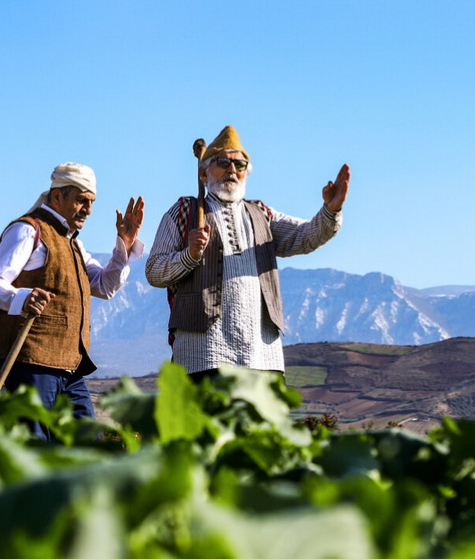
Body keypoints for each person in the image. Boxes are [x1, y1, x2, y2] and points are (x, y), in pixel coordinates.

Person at [145, 125, 350, 382]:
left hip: (263, 357)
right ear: (203, 174)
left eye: (240, 165)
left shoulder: (262, 214)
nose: (232, 170)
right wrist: (189, 255)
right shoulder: (183, 212)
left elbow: (306, 236)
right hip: (204, 356)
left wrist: (330, 210)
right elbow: (154, 271)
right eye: (223, 162)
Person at [0, 163, 144, 439]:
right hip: (30, 363)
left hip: (70, 367)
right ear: (57, 197)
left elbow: (105, 286)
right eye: (81, 200)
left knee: (87, 444)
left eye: (91, 202)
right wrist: (22, 297)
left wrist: (124, 246)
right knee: (36, 448)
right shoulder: (28, 231)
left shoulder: (74, 244)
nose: (88, 210)